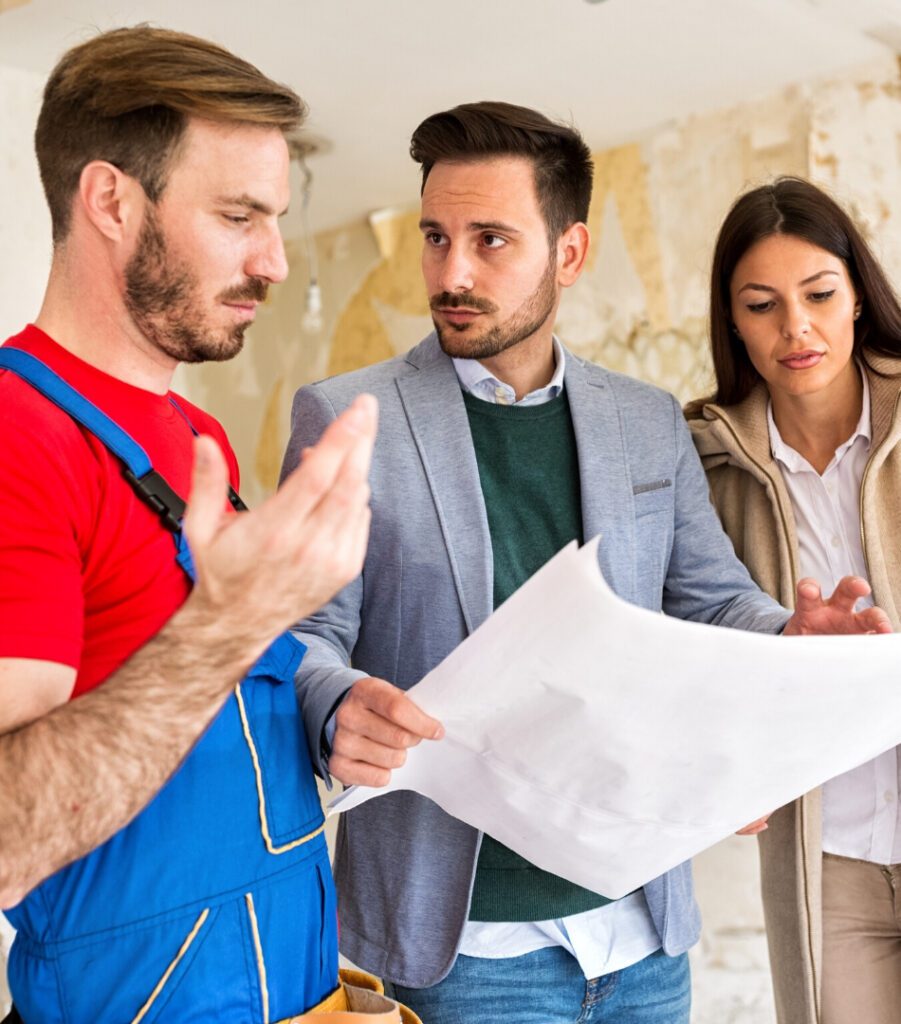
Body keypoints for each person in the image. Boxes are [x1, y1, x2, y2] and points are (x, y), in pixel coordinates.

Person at [282, 105, 889, 1024]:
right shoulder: (344, 414)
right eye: (435, 238)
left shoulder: (645, 420)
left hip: (642, 937)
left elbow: (714, 601)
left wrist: (787, 638)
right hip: (463, 950)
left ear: (568, 254)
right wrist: (330, 702)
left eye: (490, 241)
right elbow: (302, 632)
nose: (452, 273)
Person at [0, 24, 416, 1024]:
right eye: (238, 216)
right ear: (109, 200)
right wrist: (230, 626)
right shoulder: (19, 437)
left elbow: (195, 717)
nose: (273, 259)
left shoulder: (196, 441)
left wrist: (319, 713)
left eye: (274, 218)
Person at [687, 176, 901, 1024]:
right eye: (761, 304)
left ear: (856, 293)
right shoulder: (702, 464)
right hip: (827, 857)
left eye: (817, 294)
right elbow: (695, 641)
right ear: (733, 321)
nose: (795, 328)